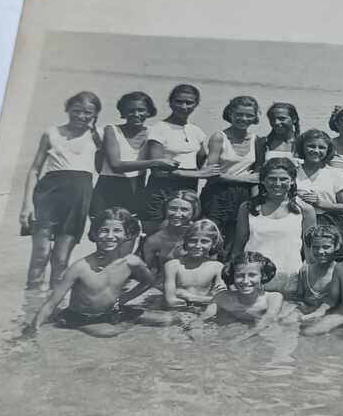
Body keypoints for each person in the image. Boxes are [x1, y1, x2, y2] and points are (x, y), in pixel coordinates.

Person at [28, 208, 156, 337]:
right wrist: (32, 331)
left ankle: (123, 323)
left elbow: (149, 282)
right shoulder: (80, 267)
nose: (110, 236)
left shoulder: (131, 262)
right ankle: (124, 325)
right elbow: (50, 305)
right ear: (95, 234)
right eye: (104, 230)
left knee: (165, 319)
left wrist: (125, 298)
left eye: (117, 230)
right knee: (109, 332)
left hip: (111, 312)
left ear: (127, 235)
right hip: (81, 317)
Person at [20, 91, 103, 289]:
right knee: (40, 254)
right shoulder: (52, 133)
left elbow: (107, 166)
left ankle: (53, 301)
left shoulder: (98, 135)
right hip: (48, 195)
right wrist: (27, 205)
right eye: (76, 111)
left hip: (78, 199)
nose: (81, 116)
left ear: (95, 115)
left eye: (88, 113)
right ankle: (31, 299)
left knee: (61, 258)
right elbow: (34, 170)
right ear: (67, 109)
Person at [140, 84, 217, 234]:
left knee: (181, 238)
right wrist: (196, 174)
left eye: (189, 102)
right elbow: (157, 171)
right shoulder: (159, 129)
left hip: (188, 192)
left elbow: (201, 161)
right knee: (153, 237)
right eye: (179, 101)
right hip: (161, 191)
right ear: (170, 102)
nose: (184, 106)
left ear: (196, 104)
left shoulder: (196, 131)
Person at [91, 91, 174, 226]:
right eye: (130, 110)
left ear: (149, 112)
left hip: (136, 190)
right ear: (123, 113)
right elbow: (115, 165)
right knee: (103, 232)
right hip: (107, 189)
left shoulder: (152, 132)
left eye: (141, 110)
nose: (136, 114)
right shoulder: (111, 130)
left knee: (129, 233)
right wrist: (156, 162)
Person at [234, 158, 317, 292]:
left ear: (292, 181)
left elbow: (309, 253)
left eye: (283, 179)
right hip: (253, 279)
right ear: (263, 180)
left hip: (290, 278)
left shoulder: (306, 210)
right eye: (272, 179)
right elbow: (238, 246)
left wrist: (308, 282)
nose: (278, 184)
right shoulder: (247, 207)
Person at [200, 96, 261, 249]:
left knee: (235, 241)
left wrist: (256, 200)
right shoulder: (219, 137)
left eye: (249, 115)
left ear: (255, 117)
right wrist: (246, 179)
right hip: (217, 193)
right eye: (239, 114)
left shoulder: (256, 140)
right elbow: (210, 172)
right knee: (210, 237)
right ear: (230, 114)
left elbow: (258, 176)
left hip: (243, 195)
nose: (243, 119)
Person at [192, 251, 289, 342]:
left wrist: (239, 339)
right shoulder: (222, 298)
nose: (245, 281)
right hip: (238, 326)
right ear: (232, 276)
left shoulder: (273, 298)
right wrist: (196, 331)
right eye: (240, 276)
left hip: (259, 330)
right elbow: (203, 317)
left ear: (263, 276)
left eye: (252, 275)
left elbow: (267, 321)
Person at [152, 219, 227, 325]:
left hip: (203, 313)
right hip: (176, 314)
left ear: (213, 243)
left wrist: (189, 297)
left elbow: (222, 301)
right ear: (185, 241)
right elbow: (170, 301)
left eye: (204, 241)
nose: (198, 245)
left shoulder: (217, 267)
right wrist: (208, 300)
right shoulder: (173, 265)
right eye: (193, 241)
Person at [294, 129, 343, 228]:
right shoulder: (292, 172)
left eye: (321, 147)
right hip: (297, 220)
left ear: (328, 150)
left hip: (326, 223)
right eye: (311, 146)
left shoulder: (335, 175)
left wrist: (320, 203)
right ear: (302, 147)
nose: (316, 151)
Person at [284, 225, 343, 320]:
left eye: (326, 247)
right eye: (315, 247)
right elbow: (298, 298)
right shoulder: (305, 270)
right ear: (310, 247)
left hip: (330, 317)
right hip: (307, 314)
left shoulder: (341, 272)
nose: (320, 251)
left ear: (337, 246)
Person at [139, 190, 198, 274]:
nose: (177, 214)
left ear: (194, 212)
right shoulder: (154, 240)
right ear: (165, 210)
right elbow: (149, 270)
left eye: (184, 210)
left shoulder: (202, 235)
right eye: (173, 208)